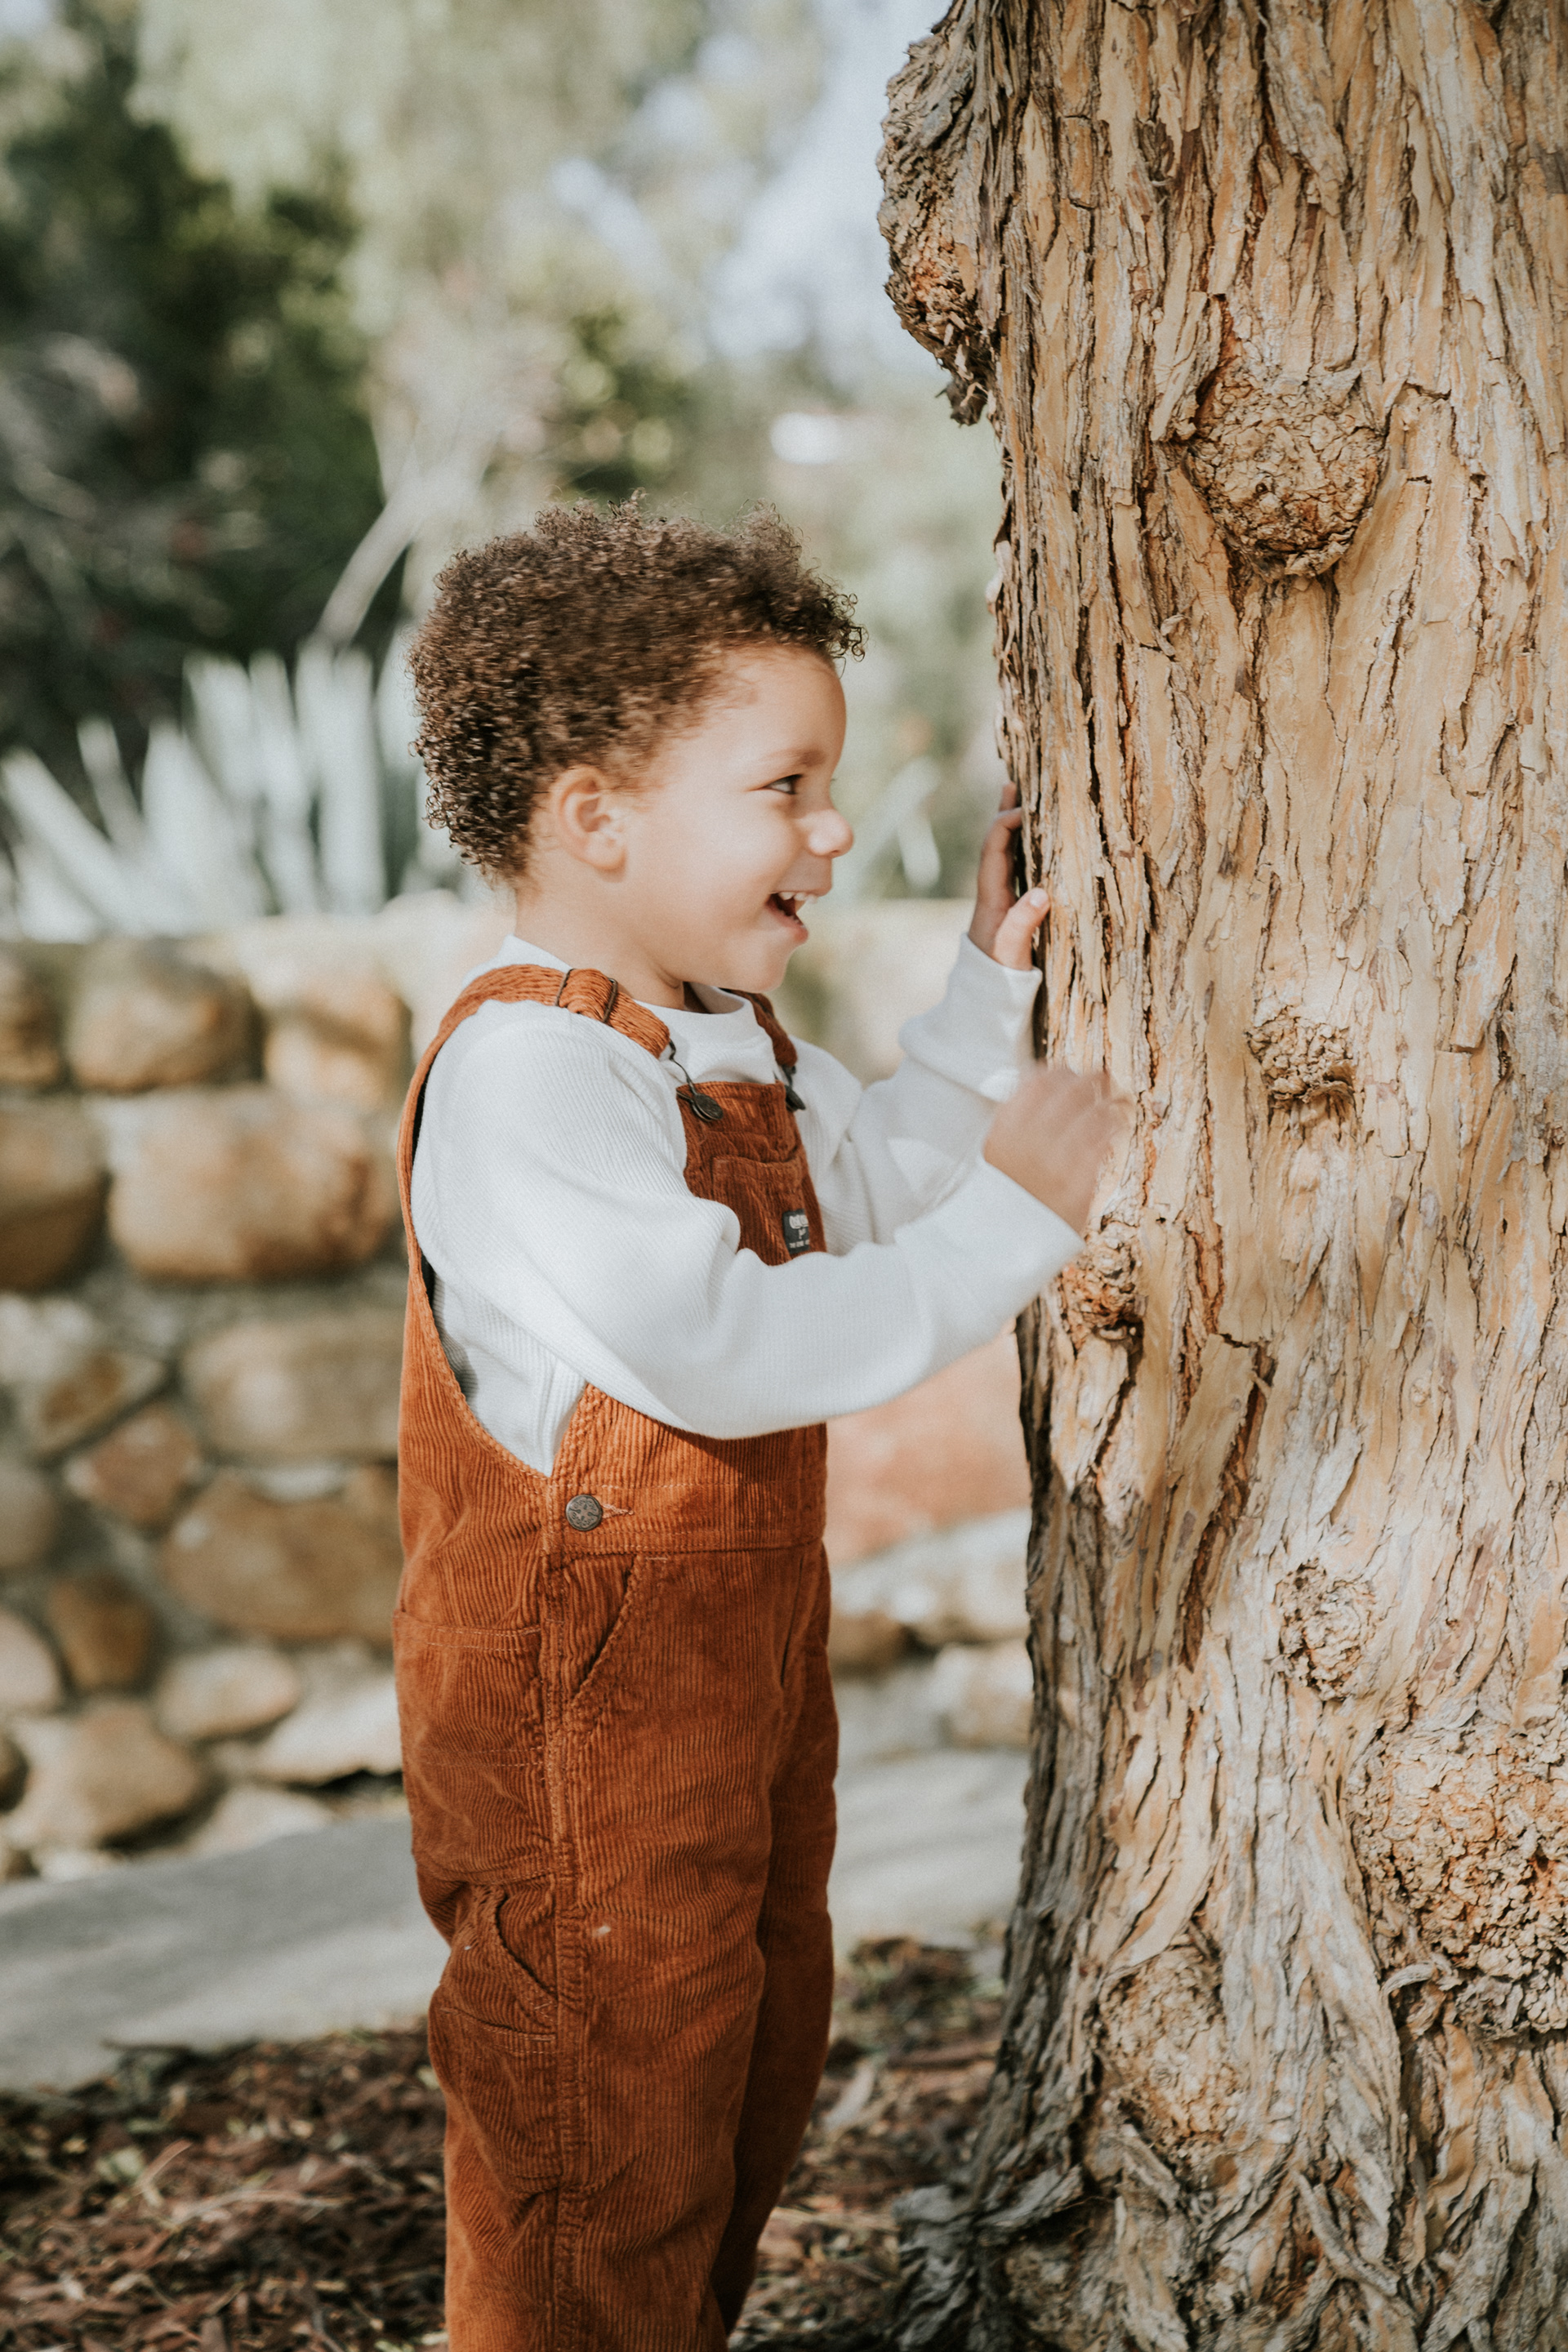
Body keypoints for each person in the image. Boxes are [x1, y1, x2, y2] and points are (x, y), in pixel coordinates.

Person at [394, 501, 1127, 2350]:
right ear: (597, 819)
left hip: (733, 1703)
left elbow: (865, 1196)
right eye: (785, 787)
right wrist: (1020, 1225)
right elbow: (723, 1345)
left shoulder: (726, 1036)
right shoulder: (528, 1074)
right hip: (576, 1751)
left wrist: (986, 998)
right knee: (599, 2133)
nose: (832, 829)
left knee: (744, 2064)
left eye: (831, 785)